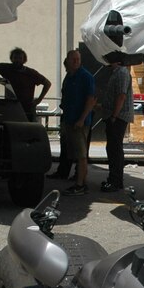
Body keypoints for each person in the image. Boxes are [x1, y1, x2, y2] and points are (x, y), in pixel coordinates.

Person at [56, 50, 96, 195]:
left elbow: (91, 100)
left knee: (81, 154)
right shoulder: (69, 76)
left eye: (77, 59)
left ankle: (80, 185)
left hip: (79, 122)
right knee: (74, 153)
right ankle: (79, 179)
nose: (75, 62)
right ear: (67, 60)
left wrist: (82, 119)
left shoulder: (86, 77)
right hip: (69, 119)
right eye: (73, 59)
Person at [0, 48, 51, 123]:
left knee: (27, 130)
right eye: (15, 58)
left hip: (26, 109)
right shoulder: (6, 68)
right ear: (11, 59)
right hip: (11, 107)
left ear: (24, 60)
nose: (17, 60)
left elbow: (47, 83)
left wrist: (39, 100)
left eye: (20, 58)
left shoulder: (31, 73)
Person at [100, 52, 134, 193]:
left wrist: (114, 115)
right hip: (116, 115)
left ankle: (116, 180)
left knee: (114, 149)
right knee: (113, 148)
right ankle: (114, 179)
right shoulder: (118, 72)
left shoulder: (121, 73)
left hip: (118, 117)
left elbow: (121, 95)